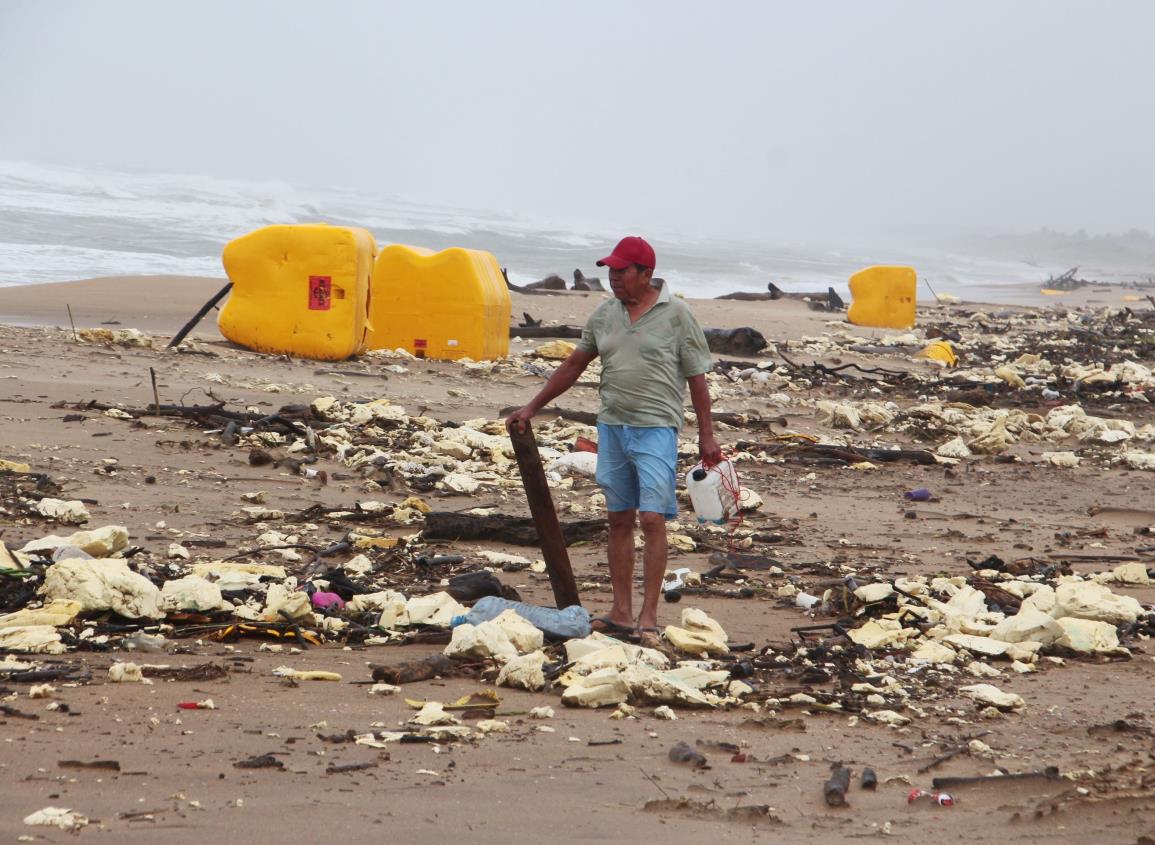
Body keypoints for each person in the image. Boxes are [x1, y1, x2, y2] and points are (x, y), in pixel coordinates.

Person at [505, 236, 721, 647]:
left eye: (622, 271)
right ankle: (621, 613)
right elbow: (574, 364)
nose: (614, 278)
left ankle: (649, 616)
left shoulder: (678, 315)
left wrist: (707, 434)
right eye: (610, 271)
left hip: (656, 428)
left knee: (653, 519)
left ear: (646, 274)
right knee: (618, 518)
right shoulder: (605, 314)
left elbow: (697, 379)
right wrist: (532, 407)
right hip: (612, 428)